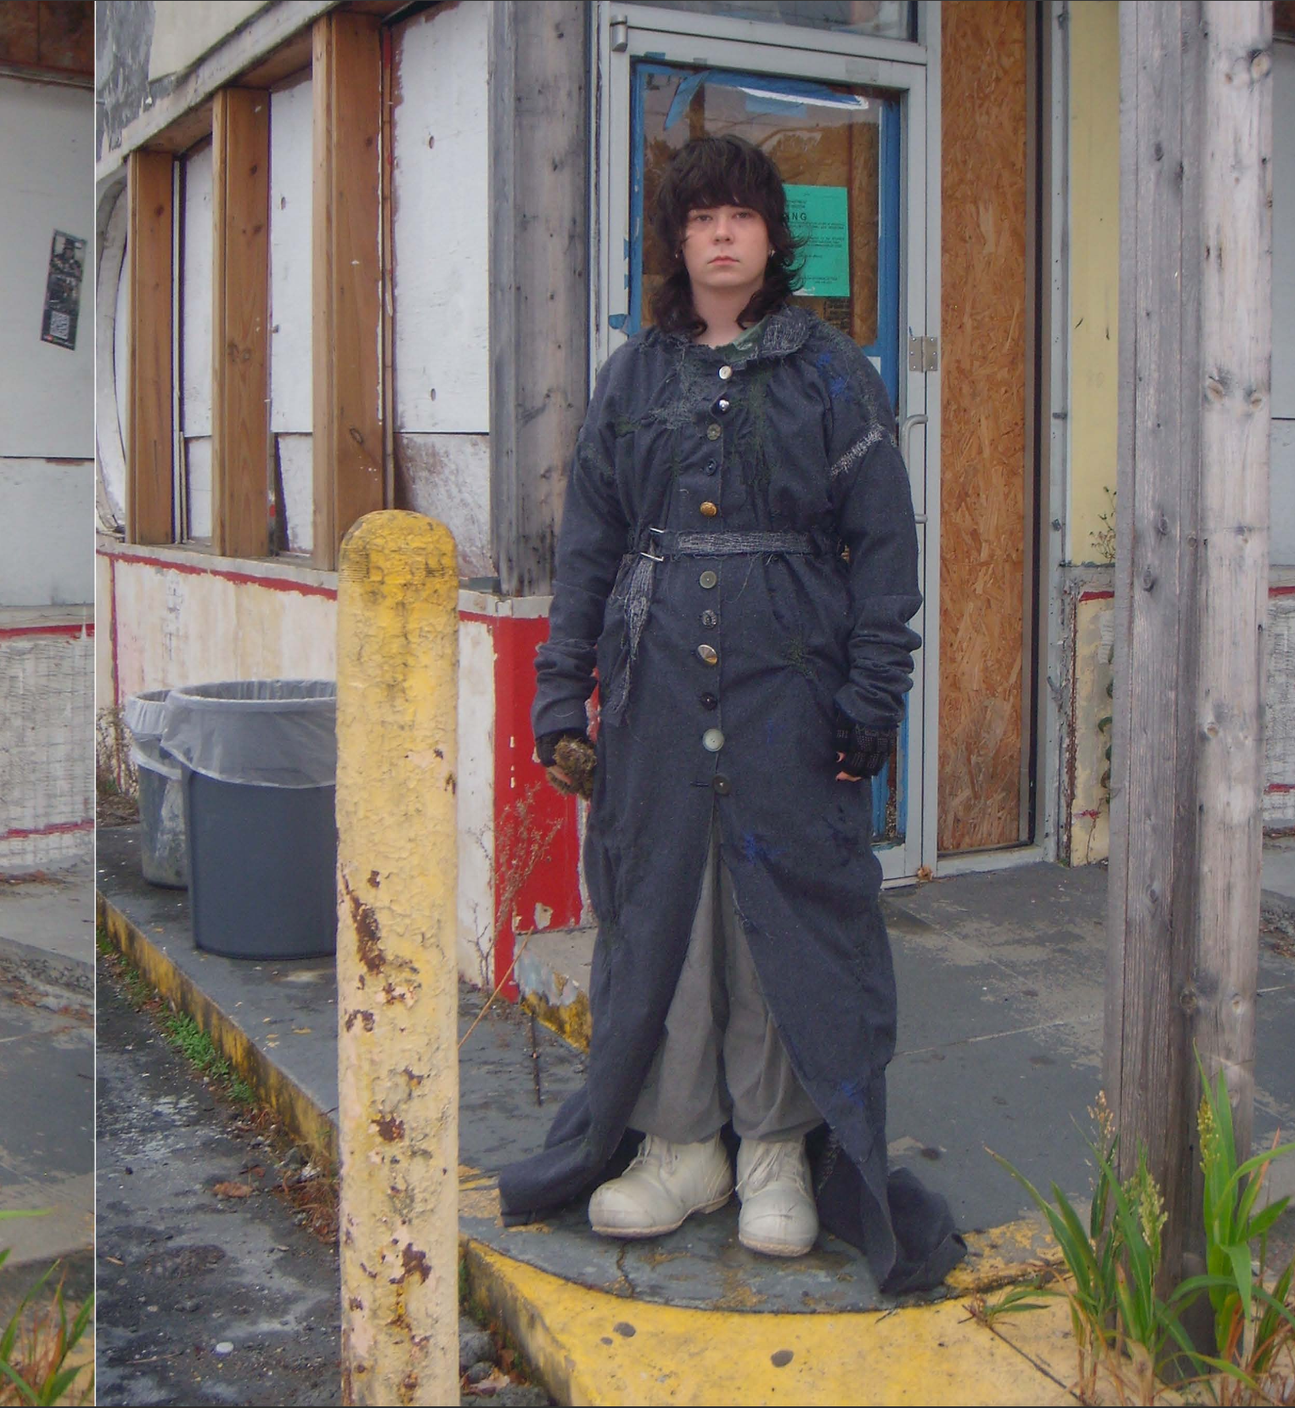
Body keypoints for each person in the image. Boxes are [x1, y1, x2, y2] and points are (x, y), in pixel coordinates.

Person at [493, 134, 965, 1296]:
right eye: (700, 217)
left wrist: (872, 693)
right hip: (652, 690)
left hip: (789, 690)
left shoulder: (833, 375)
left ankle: (772, 1153)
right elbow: (589, 548)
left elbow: (885, 547)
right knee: (665, 912)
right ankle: (679, 1146)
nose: (720, 234)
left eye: (740, 217)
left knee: (781, 920)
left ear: (769, 238)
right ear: (675, 239)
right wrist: (561, 694)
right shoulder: (632, 379)